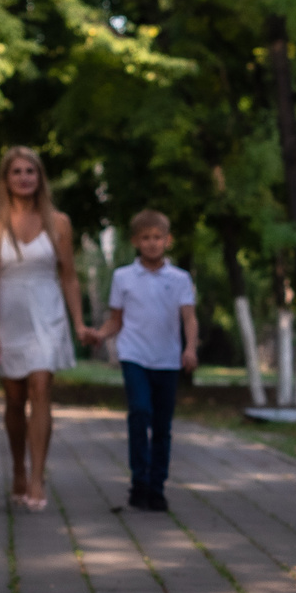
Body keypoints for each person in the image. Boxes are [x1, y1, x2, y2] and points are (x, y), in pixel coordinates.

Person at [0, 147, 90, 511]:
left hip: (47, 313)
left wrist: (78, 322)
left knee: (41, 387)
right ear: (6, 179)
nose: (24, 177)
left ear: (40, 178)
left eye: (31, 171)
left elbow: (69, 276)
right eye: (17, 172)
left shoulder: (59, 223)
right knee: (14, 399)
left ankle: (38, 477)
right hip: (8, 314)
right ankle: (18, 468)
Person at [92, 209, 196, 512]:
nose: (152, 243)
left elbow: (189, 317)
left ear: (168, 240)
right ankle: (139, 480)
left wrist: (190, 348)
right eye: (146, 238)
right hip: (134, 355)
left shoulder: (179, 279)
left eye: (158, 237)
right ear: (136, 241)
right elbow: (116, 320)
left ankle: (156, 485)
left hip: (167, 359)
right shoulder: (123, 277)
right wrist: (100, 335)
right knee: (139, 412)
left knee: (162, 425)